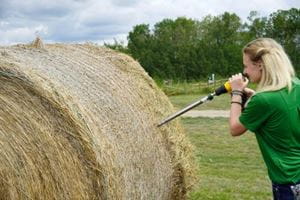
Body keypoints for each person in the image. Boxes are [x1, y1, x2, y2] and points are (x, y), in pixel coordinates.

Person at [228, 38, 300, 200]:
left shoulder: (264, 100)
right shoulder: (296, 85)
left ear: (260, 65)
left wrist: (237, 93)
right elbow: (279, 110)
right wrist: (254, 99)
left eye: (246, 65)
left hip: (287, 181)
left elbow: (235, 128)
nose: (244, 71)